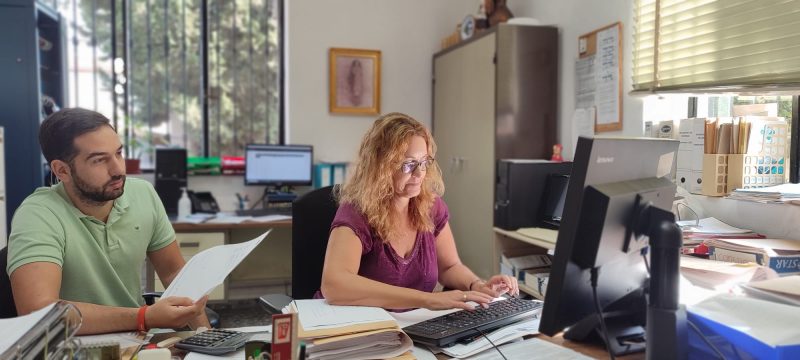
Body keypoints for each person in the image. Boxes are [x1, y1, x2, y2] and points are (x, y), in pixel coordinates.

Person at [7, 108, 209, 335]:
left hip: (136, 340)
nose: (118, 170)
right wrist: (144, 317)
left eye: (119, 153)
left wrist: (207, 337)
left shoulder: (143, 193)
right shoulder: (38, 213)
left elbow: (174, 273)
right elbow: (39, 311)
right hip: (72, 345)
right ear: (62, 170)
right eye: (99, 160)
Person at [319, 112, 519, 311]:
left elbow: (449, 267)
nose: (419, 174)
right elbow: (334, 285)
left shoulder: (431, 206)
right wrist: (426, 300)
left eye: (424, 162)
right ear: (380, 166)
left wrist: (477, 285)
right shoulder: (357, 211)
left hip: (412, 325)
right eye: (408, 164)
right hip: (360, 327)